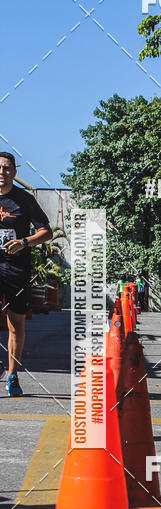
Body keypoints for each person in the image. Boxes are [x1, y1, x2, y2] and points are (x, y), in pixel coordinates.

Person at [0, 153, 52, 396]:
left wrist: (24, 242)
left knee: (15, 322)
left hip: (15, 268)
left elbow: (46, 232)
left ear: (14, 172)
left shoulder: (24, 200)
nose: (2, 172)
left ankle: (12, 375)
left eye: (7, 168)